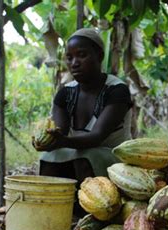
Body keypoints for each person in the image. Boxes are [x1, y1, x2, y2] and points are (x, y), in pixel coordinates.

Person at [34, 28, 133, 186]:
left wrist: (62, 141)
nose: (74, 63)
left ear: (99, 56)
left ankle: (85, 210)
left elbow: (96, 137)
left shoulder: (117, 90)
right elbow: (60, 133)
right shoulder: (65, 94)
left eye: (82, 55)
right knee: (48, 157)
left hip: (116, 160)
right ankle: (53, 205)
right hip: (80, 154)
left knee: (85, 157)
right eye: (69, 57)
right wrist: (46, 141)